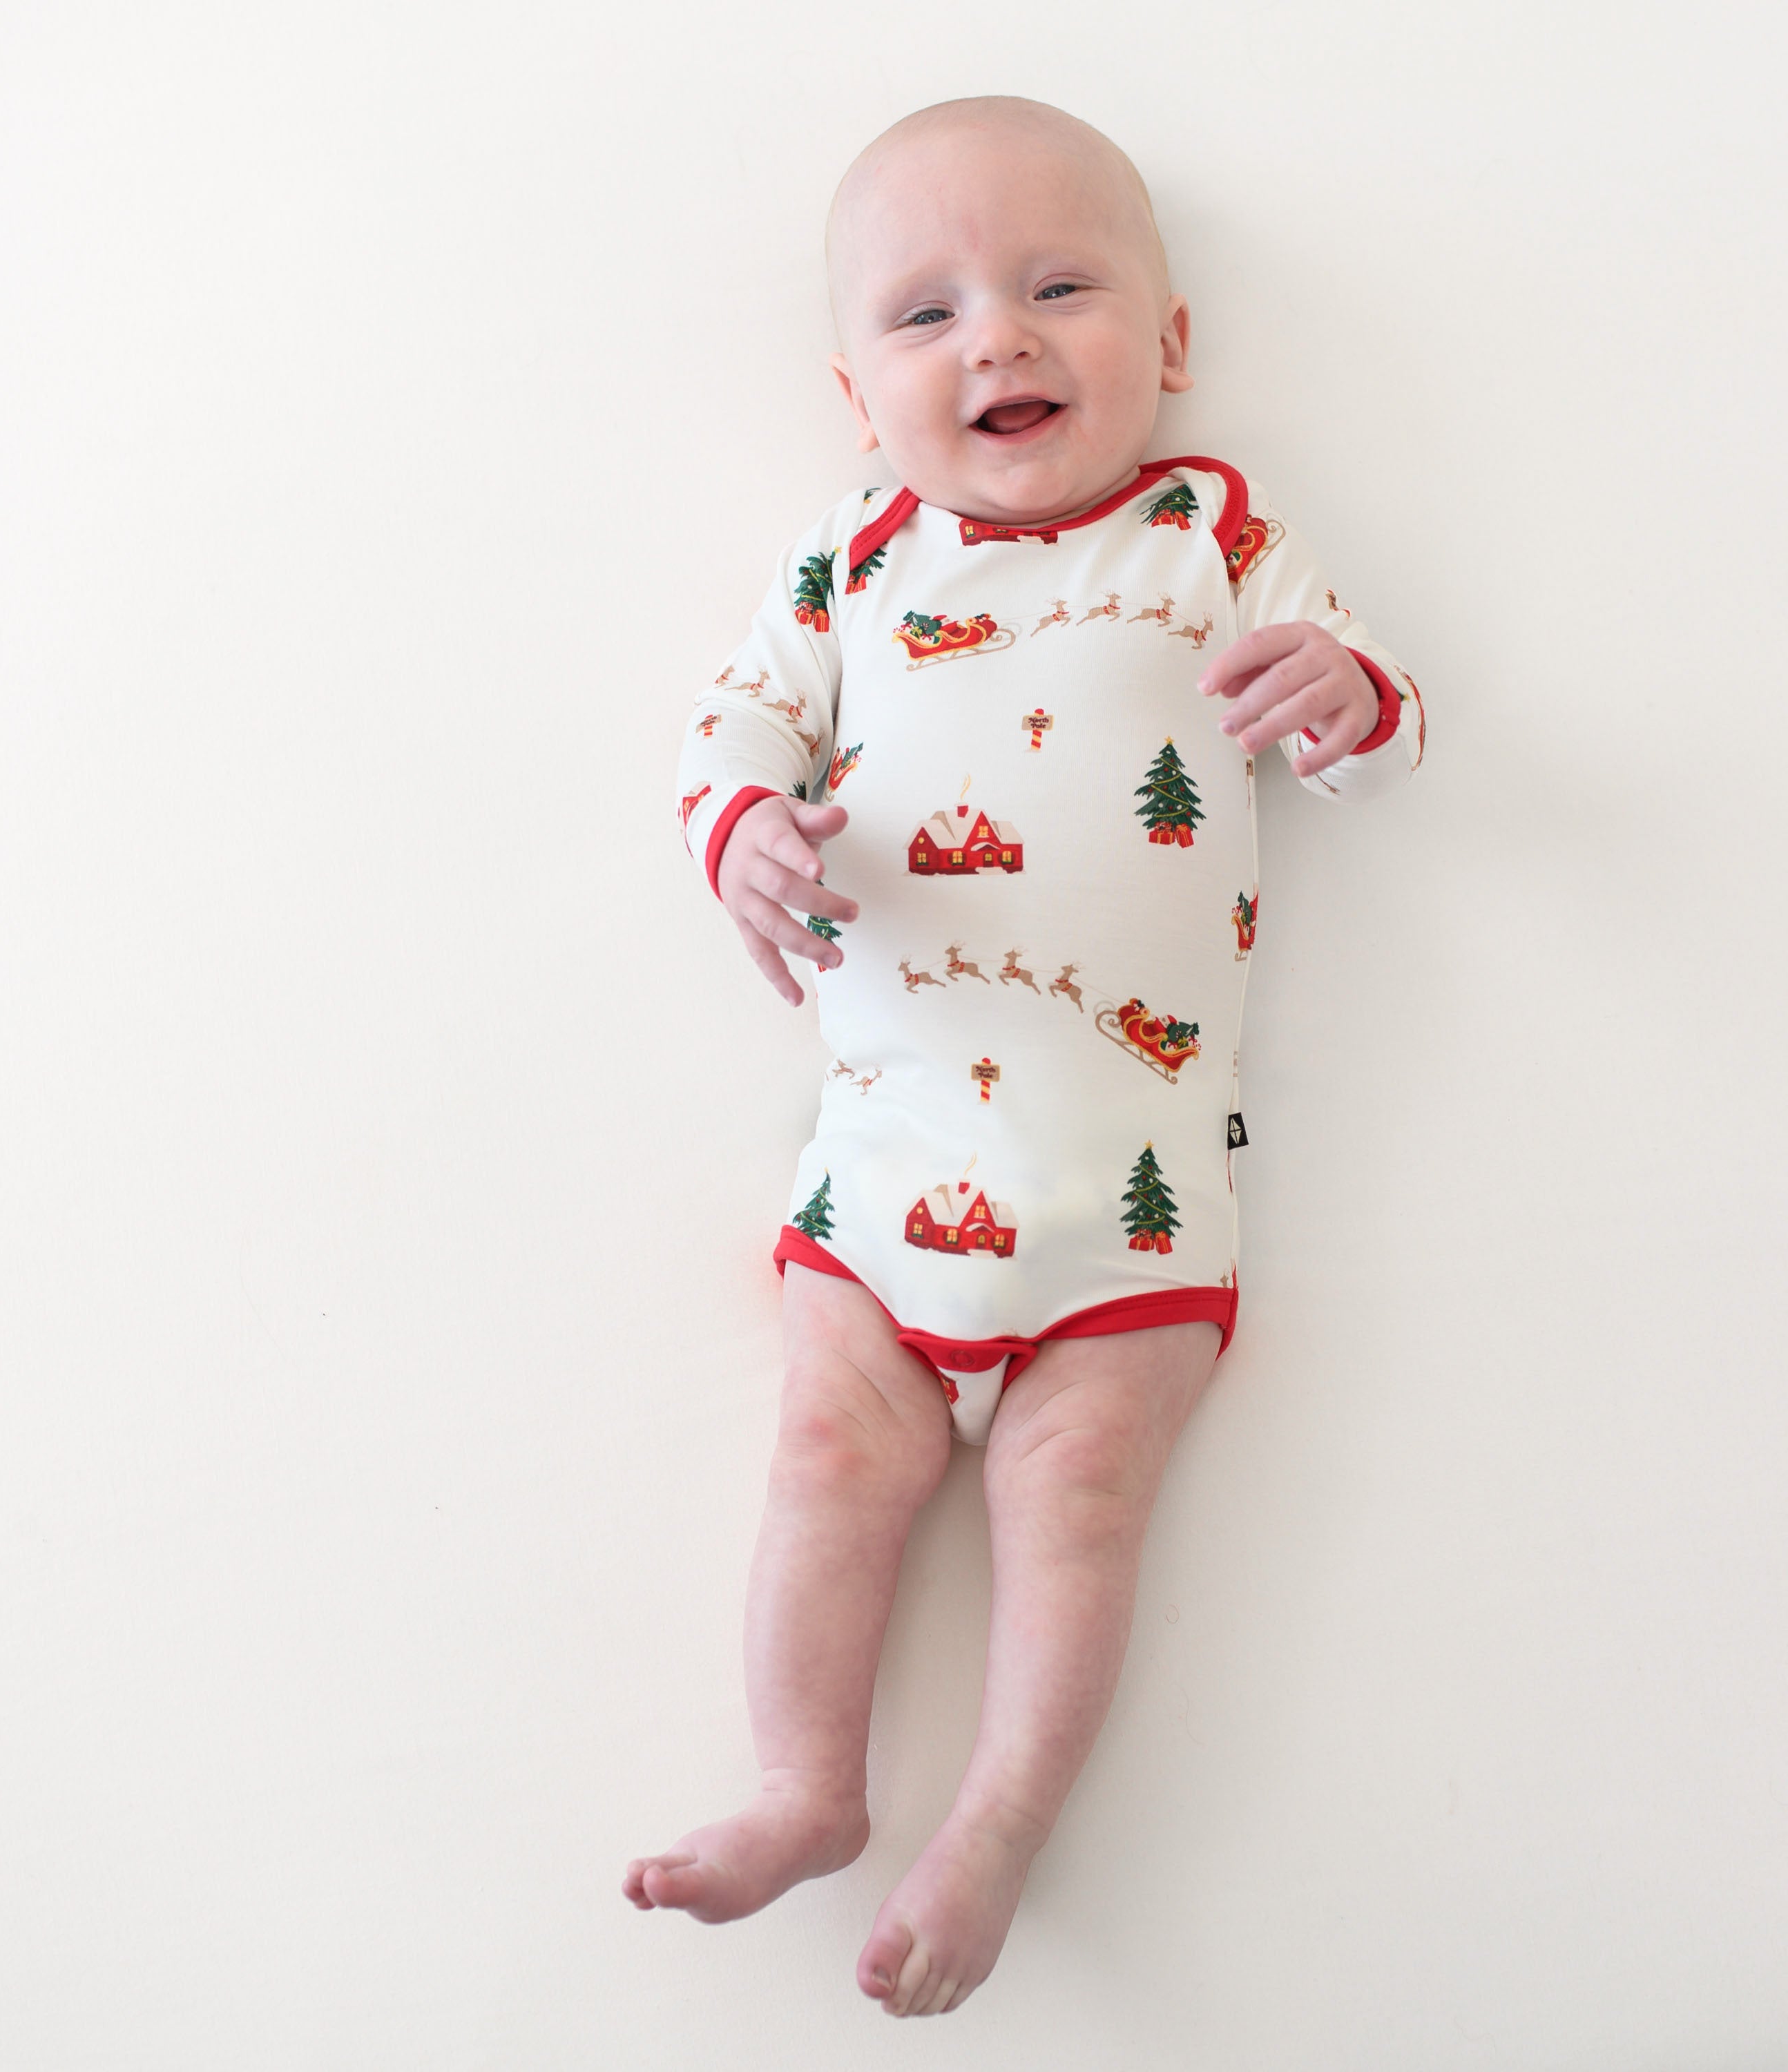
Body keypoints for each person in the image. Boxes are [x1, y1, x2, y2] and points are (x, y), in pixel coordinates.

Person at [628, 95, 1424, 2018]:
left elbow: (1381, 720)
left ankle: (991, 1822)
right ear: (855, 392)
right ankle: (809, 1786)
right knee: (828, 1451)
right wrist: (746, 838)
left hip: (1135, 1191)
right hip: (888, 1180)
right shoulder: (850, 565)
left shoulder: (1210, 530)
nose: (997, 336)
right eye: (928, 315)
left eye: (1060, 287)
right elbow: (729, 737)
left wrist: (1345, 694)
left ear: (1166, 347)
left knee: (1074, 1504)